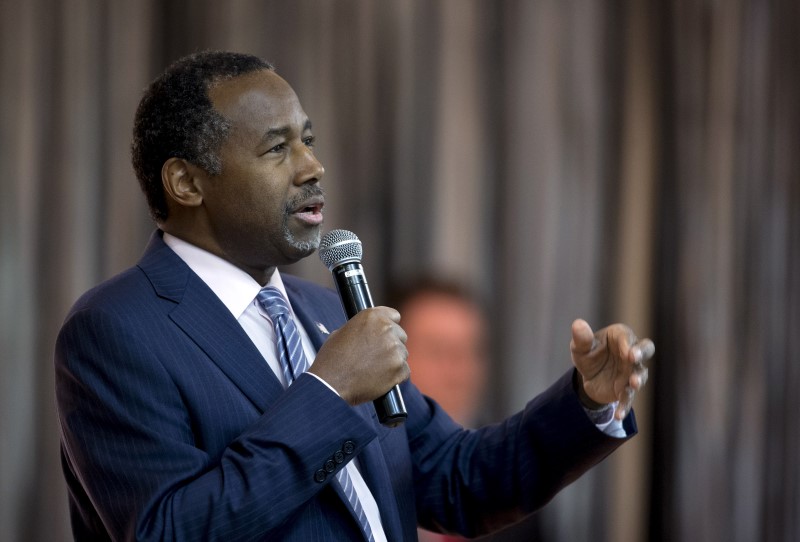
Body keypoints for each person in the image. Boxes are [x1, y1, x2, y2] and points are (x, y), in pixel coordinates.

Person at [54, 51, 654, 541]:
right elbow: (170, 531)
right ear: (186, 182)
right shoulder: (115, 330)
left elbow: (459, 481)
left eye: (308, 141)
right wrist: (329, 392)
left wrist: (587, 404)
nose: (312, 166)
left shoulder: (324, 312)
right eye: (276, 148)